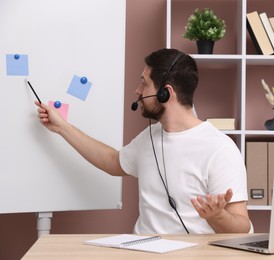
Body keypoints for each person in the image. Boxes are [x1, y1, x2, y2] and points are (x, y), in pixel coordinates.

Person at [35, 48, 250, 234]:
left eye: (144, 84)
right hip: (141, 249)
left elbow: (242, 226)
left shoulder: (219, 149)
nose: (137, 91)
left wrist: (217, 216)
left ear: (166, 94)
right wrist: (61, 127)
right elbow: (112, 161)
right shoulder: (150, 137)